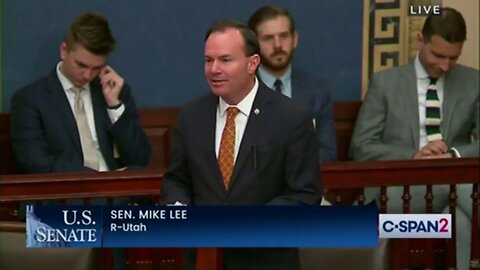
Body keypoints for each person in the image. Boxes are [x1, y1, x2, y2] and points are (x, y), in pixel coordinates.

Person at [162, 19, 322, 270]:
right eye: (208, 60)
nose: (214, 69)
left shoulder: (291, 118)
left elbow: (305, 195)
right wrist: (180, 211)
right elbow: (176, 180)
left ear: (252, 63)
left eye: (225, 60)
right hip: (204, 258)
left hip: (266, 259)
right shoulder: (191, 116)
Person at [350, 7, 478, 270]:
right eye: (438, 56)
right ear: (420, 40)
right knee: (466, 193)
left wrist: (453, 156)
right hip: (397, 197)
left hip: (448, 203)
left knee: (460, 219)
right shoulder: (385, 83)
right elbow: (361, 146)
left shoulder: (473, 82)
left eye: (453, 58)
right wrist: (413, 157)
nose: (445, 66)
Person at [11, 12, 151, 173]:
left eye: (96, 68)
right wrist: (99, 181)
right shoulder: (30, 100)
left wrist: (115, 106)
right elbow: (34, 162)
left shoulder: (115, 92)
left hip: (120, 192)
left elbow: (141, 159)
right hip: (68, 193)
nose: (87, 75)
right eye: (81, 65)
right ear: (64, 51)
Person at [248, 5, 336, 162]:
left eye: (284, 36)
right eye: (268, 38)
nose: (278, 45)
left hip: (303, 182)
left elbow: (327, 153)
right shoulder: (241, 91)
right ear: (254, 44)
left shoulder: (317, 91)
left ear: (294, 39)